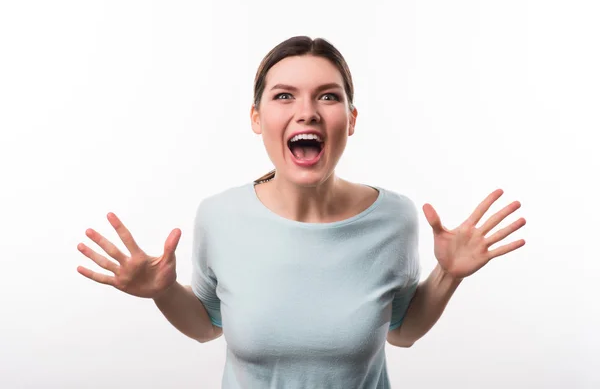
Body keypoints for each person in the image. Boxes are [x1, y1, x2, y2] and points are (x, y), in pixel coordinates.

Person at [76, 36, 527, 388]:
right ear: (257, 118)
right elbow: (206, 326)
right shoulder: (218, 216)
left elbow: (402, 333)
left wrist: (450, 275)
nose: (307, 112)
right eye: (284, 96)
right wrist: (162, 291)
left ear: (351, 119)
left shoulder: (396, 218)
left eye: (328, 97)